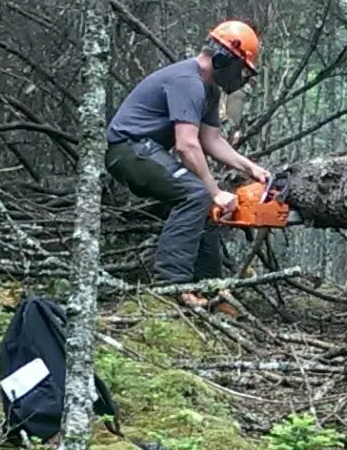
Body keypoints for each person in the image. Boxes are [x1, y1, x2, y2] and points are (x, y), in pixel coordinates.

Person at [104, 20, 272, 303]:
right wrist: (215, 191)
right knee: (198, 195)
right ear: (223, 59)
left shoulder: (209, 90)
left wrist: (249, 167)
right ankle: (172, 285)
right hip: (129, 150)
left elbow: (211, 140)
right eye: (240, 68)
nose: (241, 77)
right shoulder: (189, 82)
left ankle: (211, 287)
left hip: (144, 150)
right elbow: (186, 144)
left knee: (204, 203)